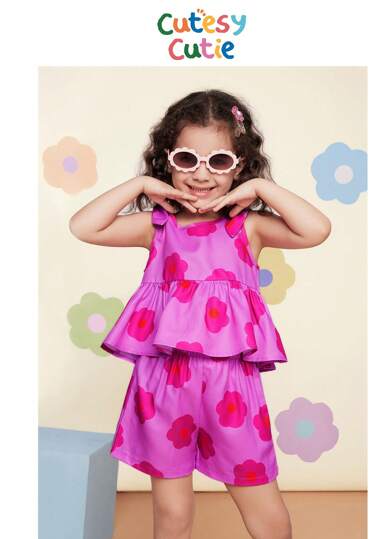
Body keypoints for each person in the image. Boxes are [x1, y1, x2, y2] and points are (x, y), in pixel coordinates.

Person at [69, 89, 331, 539]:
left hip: (232, 388)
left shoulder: (248, 227)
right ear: (167, 160)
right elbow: (83, 226)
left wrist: (261, 189)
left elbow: (317, 229)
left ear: (240, 166)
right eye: (187, 159)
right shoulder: (157, 226)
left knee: (266, 514)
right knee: (171, 515)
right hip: (161, 384)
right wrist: (140, 186)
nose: (202, 174)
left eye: (220, 162)